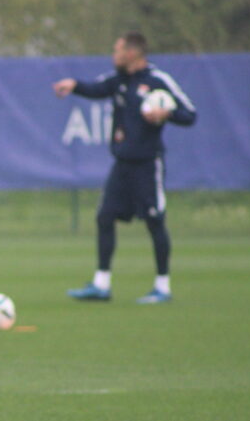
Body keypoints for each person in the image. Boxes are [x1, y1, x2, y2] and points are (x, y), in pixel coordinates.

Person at [53, 31, 196, 304]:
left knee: (155, 221)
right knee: (105, 217)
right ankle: (101, 285)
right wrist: (72, 84)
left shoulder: (158, 81)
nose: (114, 54)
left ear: (132, 53)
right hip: (122, 164)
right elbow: (95, 88)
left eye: (117, 50)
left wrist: (166, 113)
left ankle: (162, 286)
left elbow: (190, 114)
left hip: (148, 163)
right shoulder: (118, 80)